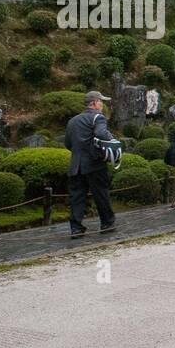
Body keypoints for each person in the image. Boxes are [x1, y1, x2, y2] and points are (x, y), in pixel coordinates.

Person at [65, 91, 117, 239]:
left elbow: (68, 144)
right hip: (94, 163)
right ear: (94, 103)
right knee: (101, 193)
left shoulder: (73, 120)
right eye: (101, 102)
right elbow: (101, 134)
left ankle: (76, 228)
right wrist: (111, 140)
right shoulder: (97, 117)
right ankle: (107, 223)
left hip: (76, 165)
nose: (102, 105)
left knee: (77, 197)